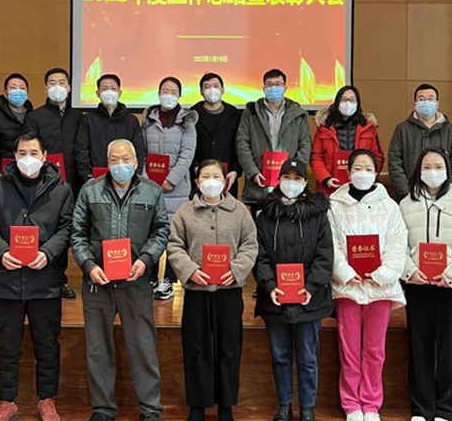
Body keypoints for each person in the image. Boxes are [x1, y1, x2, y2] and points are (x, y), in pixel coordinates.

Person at [0, 133, 74, 421]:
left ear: (44, 156)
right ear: (15, 156)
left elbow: (67, 229)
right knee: (6, 346)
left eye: (33, 152)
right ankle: (7, 401)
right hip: (6, 280)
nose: (27, 158)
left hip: (45, 280)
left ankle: (47, 400)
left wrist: (48, 252)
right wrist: (0, 251)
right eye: (22, 153)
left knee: (47, 345)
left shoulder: (61, 189)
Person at [71, 139, 169, 421]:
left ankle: (150, 410)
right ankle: (102, 410)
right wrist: (89, 265)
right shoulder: (90, 190)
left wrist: (145, 260)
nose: (120, 165)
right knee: (98, 350)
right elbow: (78, 233)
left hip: (136, 282)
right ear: (107, 162)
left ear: (136, 162)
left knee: (143, 348)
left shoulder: (151, 191)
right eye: (114, 160)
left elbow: (161, 230)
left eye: (125, 159)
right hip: (97, 284)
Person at [166, 159, 258, 421]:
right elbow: (174, 246)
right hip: (197, 291)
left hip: (229, 291)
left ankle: (225, 405)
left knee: (229, 347)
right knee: (196, 348)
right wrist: (189, 270)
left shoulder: (239, 212)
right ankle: (197, 405)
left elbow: (250, 244)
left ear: (225, 181)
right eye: (205, 177)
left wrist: (238, 269)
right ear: (197, 182)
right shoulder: (185, 212)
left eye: (216, 176)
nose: (211, 181)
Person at [399, 147, 452, 421]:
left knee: (450, 349)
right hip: (418, 285)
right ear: (418, 170)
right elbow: (397, 244)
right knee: (419, 347)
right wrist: (409, 271)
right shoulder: (406, 204)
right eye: (426, 167)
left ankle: (446, 409)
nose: (432, 172)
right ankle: (421, 409)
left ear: (447, 170)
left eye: (438, 167)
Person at [327, 149, 407, 421]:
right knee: (349, 349)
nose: (363, 173)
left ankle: (371, 403)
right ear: (348, 172)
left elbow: (398, 242)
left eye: (368, 169)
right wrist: (346, 272)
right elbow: (331, 244)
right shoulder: (334, 205)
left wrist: (382, 273)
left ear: (376, 172)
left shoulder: (390, 206)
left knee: (375, 350)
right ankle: (351, 404)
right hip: (347, 287)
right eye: (357, 168)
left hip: (379, 289)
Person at [253, 158, 333, 421]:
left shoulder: (317, 215)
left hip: (309, 300)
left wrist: (312, 286)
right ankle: (284, 406)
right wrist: (269, 285)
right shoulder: (265, 216)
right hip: (274, 299)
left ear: (305, 183)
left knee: (308, 358)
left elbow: (324, 255)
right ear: (278, 180)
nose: (291, 183)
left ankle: (307, 408)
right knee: (280, 357)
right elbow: (259, 256)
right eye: (287, 177)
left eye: (297, 178)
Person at [25, 67, 82, 300]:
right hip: (44, 184)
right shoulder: (35, 117)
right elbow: (30, 150)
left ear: (69, 87)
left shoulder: (79, 117)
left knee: (65, 231)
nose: (57, 86)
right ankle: (40, 277)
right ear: (46, 88)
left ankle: (60, 280)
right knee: (45, 230)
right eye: (52, 83)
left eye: (62, 82)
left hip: (73, 183)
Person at [142, 76, 198, 301]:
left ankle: (169, 280)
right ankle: (151, 278)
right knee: (152, 233)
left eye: (173, 92)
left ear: (179, 95)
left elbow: (187, 154)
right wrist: (147, 180)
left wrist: (171, 179)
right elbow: (141, 152)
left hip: (177, 189)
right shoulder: (148, 120)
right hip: (150, 187)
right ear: (158, 93)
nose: (168, 95)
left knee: (175, 235)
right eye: (165, 91)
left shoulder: (187, 122)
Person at [235, 69, 313, 209]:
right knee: (261, 221)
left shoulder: (297, 113)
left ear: (285, 87)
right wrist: (253, 172)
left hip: (289, 185)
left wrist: (293, 173)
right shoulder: (251, 112)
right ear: (264, 88)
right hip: (259, 181)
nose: (273, 88)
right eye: (269, 84)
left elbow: (305, 145)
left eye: (278, 84)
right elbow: (242, 143)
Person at [387, 84, 452, 201]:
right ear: (415, 104)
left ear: (437, 104)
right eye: (421, 99)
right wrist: (406, 192)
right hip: (410, 195)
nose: (426, 102)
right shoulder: (402, 129)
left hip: (444, 196)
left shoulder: (450, 130)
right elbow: (395, 162)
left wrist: (448, 192)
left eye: (430, 99)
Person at [312, 86, 384, 195]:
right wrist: (326, 178)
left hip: (361, 185)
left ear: (358, 103)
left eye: (352, 100)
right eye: (344, 100)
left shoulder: (368, 127)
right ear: (337, 102)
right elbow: (316, 156)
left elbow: (377, 156)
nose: (348, 103)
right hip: (331, 186)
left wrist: (368, 177)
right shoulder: (324, 127)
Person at [75, 74, 146, 182]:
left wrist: (136, 175)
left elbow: (139, 150)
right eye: (104, 89)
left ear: (120, 93)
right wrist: (87, 176)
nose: (109, 92)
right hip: (96, 179)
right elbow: (82, 150)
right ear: (97, 93)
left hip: (126, 178)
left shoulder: (131, 120)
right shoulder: (88, 119)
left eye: (113, 88)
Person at [190, 73, 242, 197]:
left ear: (222, 90)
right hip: (199, 177)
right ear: (201, 92)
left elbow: (241, 145)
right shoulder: (191, 115)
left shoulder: (235, 115)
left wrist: (236, 171)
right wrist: (195, 168)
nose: (212, 90)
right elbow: (187, 146)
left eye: (216, 86)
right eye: (207, 86)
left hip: (228, 177)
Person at [0, 73, 34, 179]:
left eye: (22, 88)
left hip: (30, 174)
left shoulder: (34, 117)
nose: (18, 91)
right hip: (2, 175)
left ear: (27, 93)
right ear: (5, 93)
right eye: (13, 88)